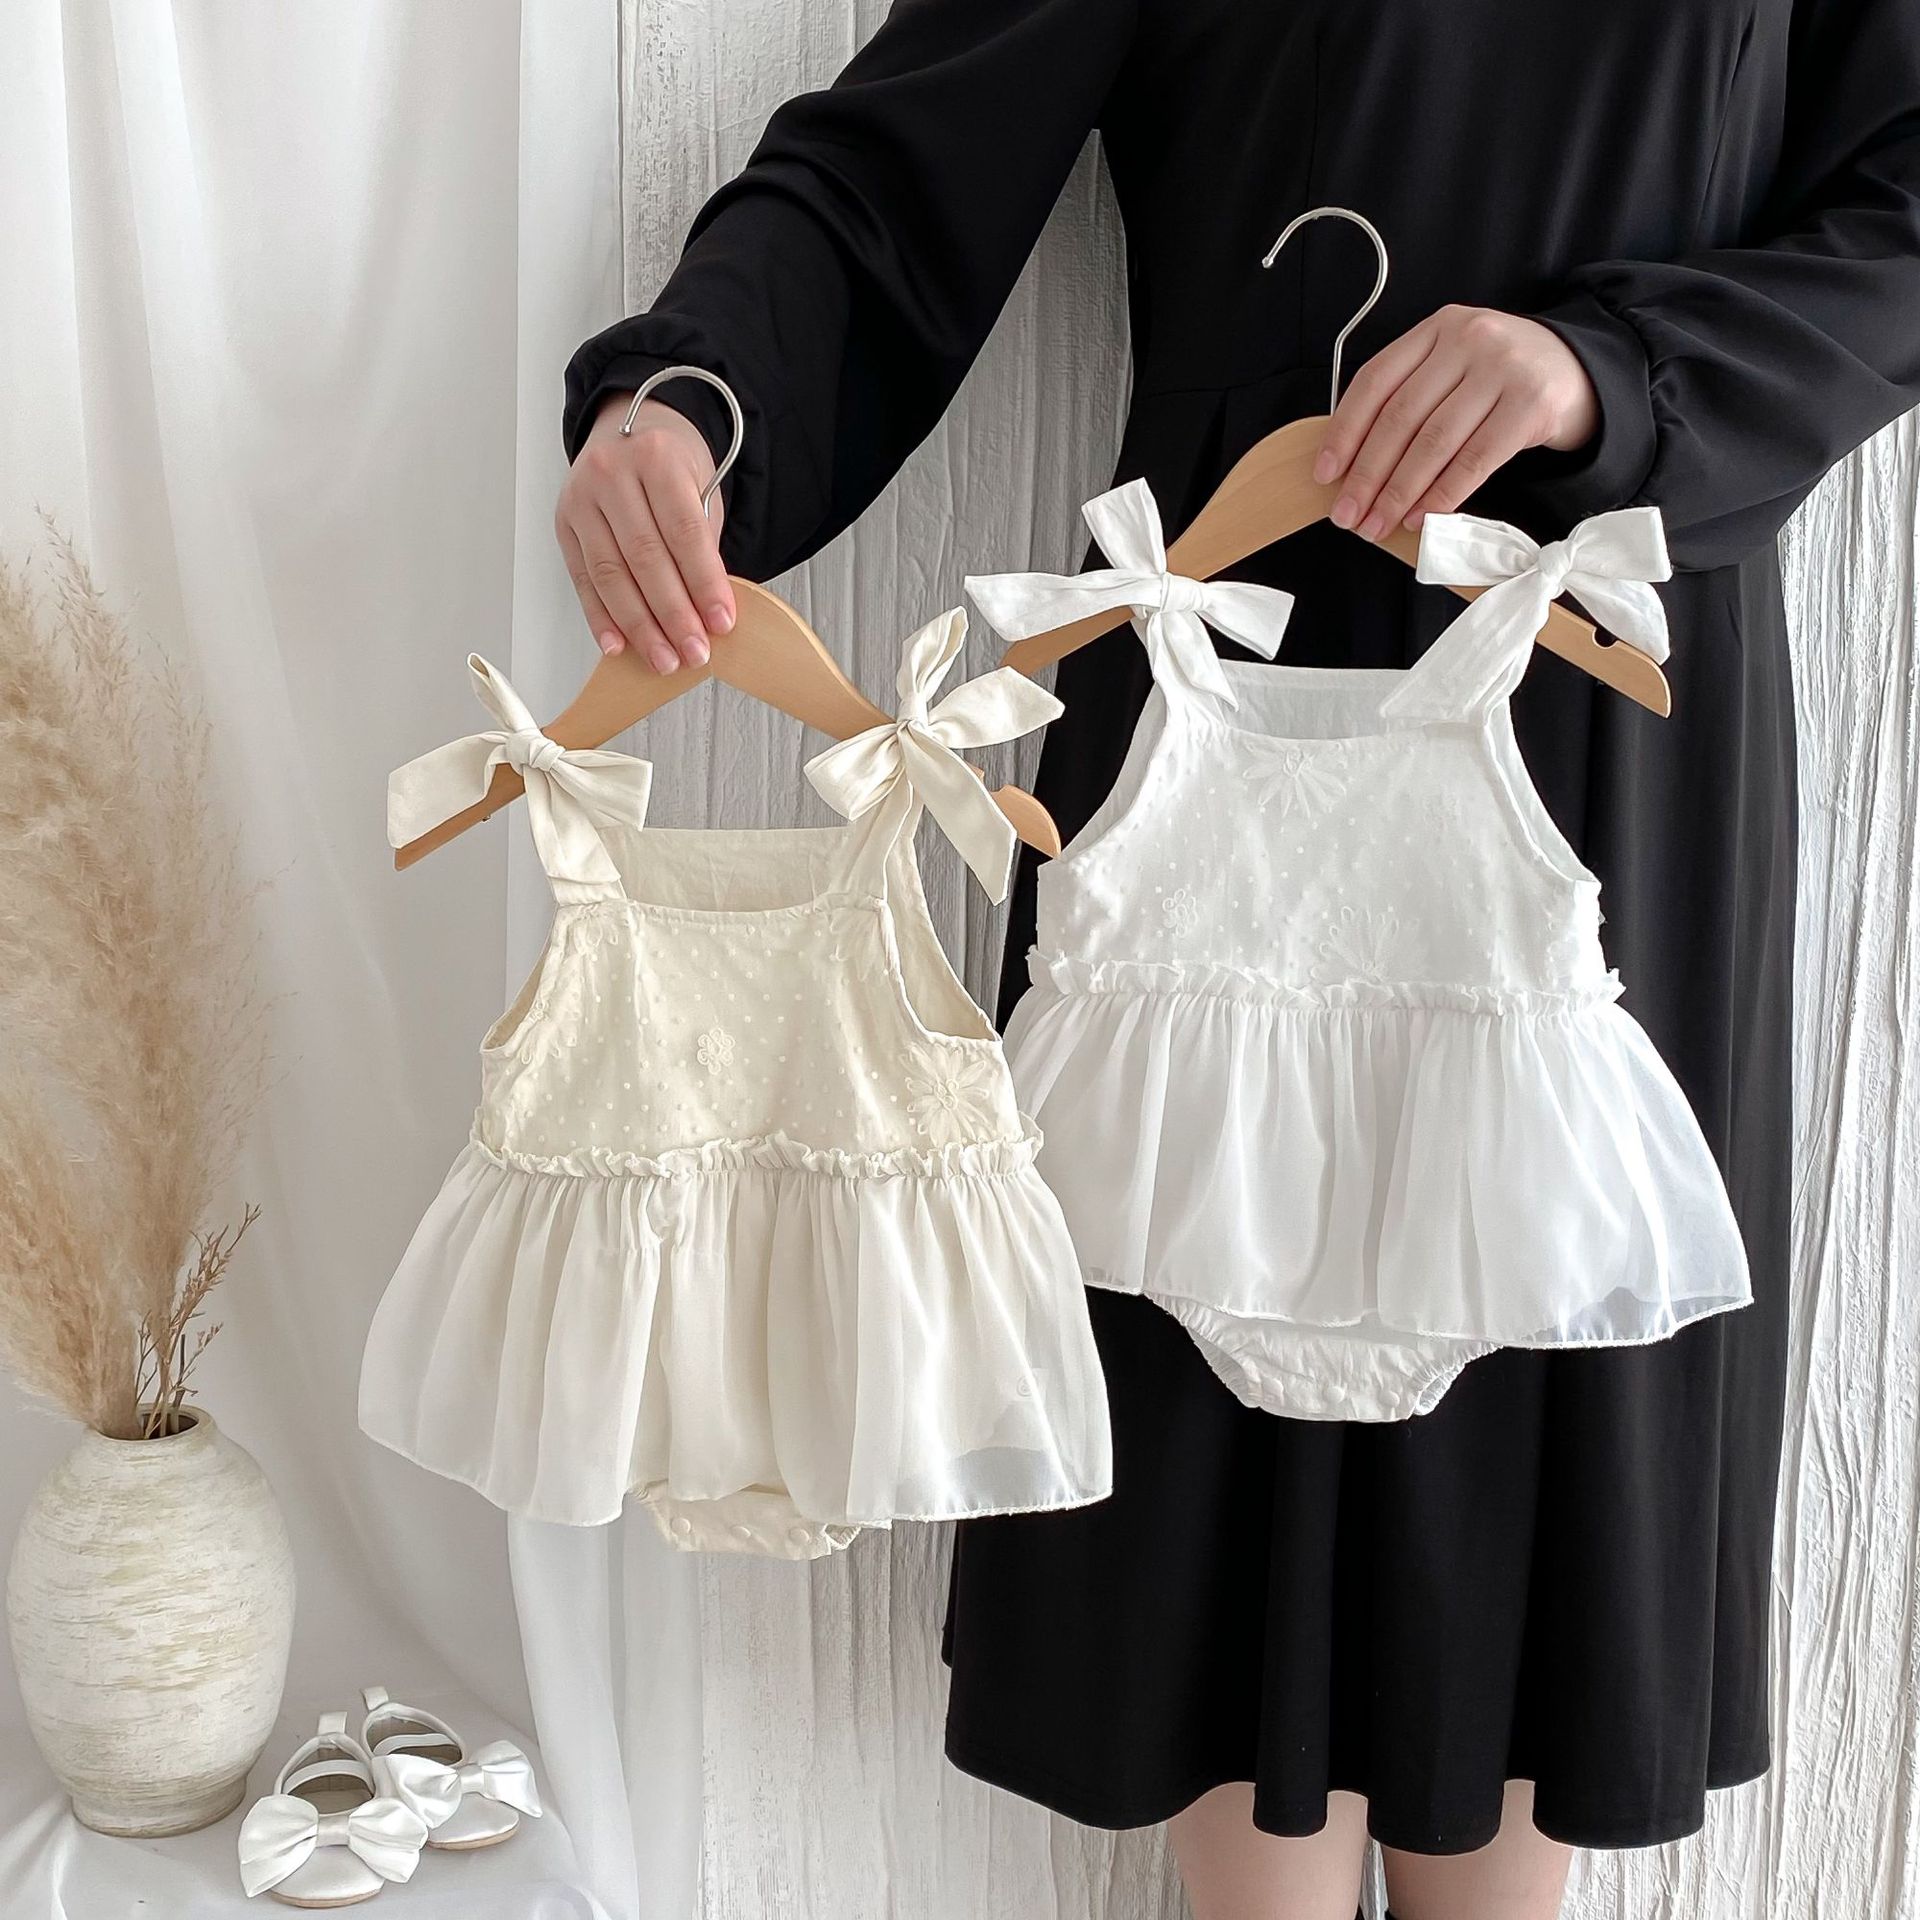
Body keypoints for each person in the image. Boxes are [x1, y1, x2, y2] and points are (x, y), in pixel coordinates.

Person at [553, 3, 1920, 1915]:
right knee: (1218, 1531)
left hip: (1598, 703)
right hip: (1217, 703)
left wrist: (1603, 369)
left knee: (1531, 1502)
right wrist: (686, 401)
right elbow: (895, 177)